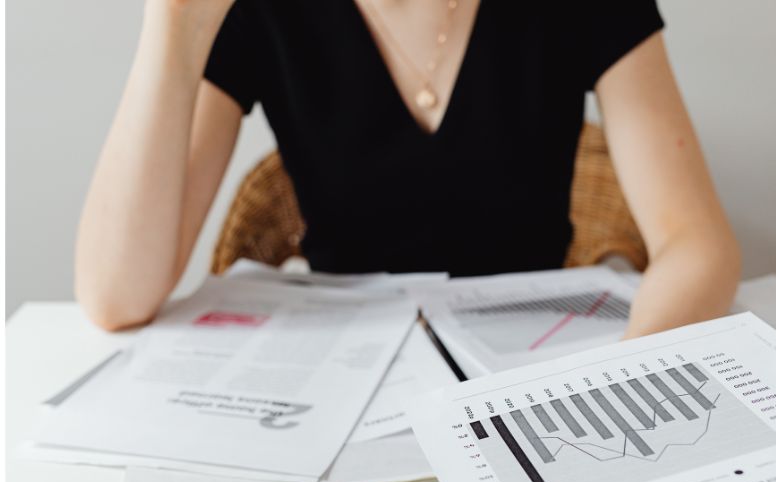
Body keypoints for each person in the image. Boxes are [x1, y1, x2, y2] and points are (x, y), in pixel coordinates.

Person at [75, 0, 740, 336]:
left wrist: (630, 374)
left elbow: (696, 242)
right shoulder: (262, 11)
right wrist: (171, 28)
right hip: (344, 380)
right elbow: (114, 296)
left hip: (532, 361)